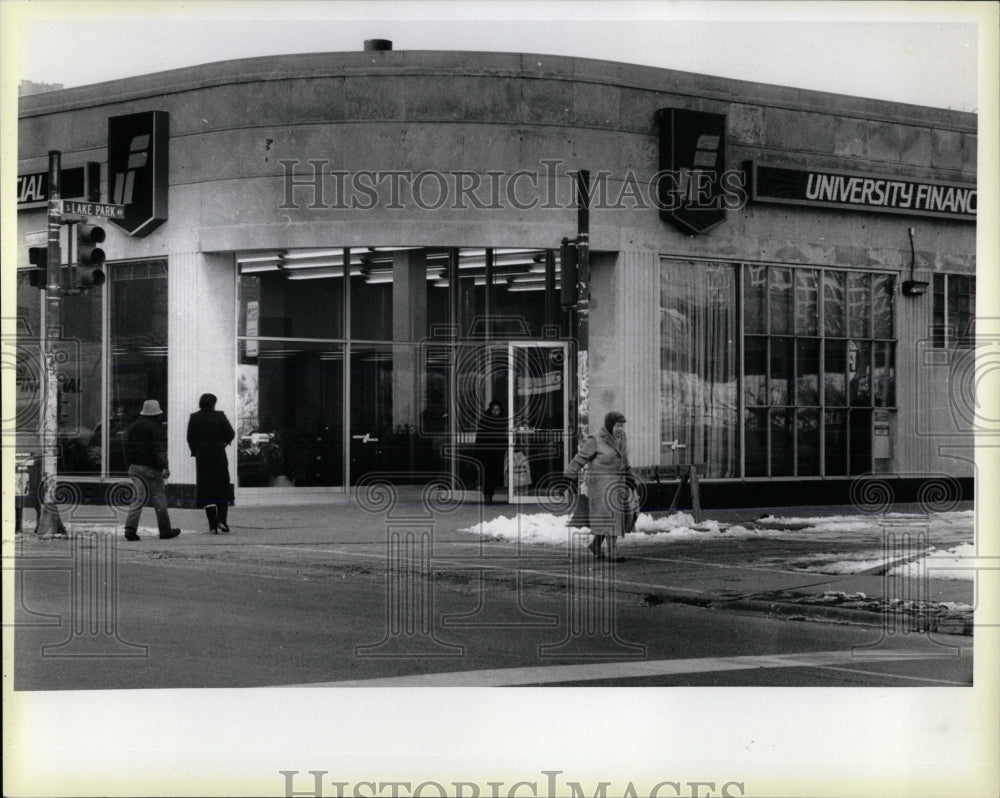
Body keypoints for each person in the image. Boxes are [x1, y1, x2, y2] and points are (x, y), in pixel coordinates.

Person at [566, 411, 634, 562]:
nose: (620, 429)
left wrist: (629, 476)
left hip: (617, 483)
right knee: (610, 516)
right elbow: (579, 459)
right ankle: (612, 552)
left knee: (611, 517)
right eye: (617, 426)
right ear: (610, 425)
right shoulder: (595, 439)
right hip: (600, 484)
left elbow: (624, 459)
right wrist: (569, 477)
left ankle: (595, 546)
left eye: (622, 426)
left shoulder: (622, 438)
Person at [123, 399, 180, 541]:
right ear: (156, 414)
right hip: (151, 468)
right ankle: (165, 531)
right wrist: (164, 466)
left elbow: (126, 447)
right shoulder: (155, 428)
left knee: (138, 497)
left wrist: (130, 464)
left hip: (134, 467)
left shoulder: (133, 426)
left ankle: (130, 528)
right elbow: (159, 449)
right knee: (159, 498)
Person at [186, 393, 236, 533]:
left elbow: (190, 437)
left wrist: (196, 451)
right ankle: (222, 521)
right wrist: (224, 443)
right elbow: (230, 433)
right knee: (222, 486)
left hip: (203, 458)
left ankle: (212, 525)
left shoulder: (194, 417)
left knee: (206, 489)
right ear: (214, 403)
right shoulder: (219, 415)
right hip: (219, 455)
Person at [476, 400, 507, 503]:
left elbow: (505, 437)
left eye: (497, 409)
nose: (495, 411)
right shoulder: (484, 421)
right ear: (490, 410)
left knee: (495, 473)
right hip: (486, 451)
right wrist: (478, 450)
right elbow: (479, 437)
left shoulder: (503, 422)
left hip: (498, 451)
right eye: (493, 409)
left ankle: (490, 493)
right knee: (486, 473)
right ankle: (486, 494)